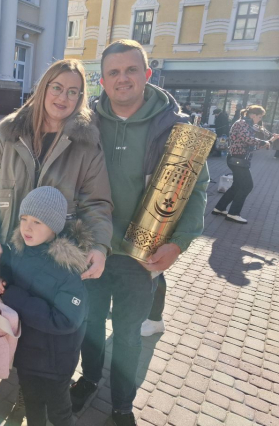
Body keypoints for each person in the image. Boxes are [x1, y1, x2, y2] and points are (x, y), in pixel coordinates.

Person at [71, 40, 209, 426]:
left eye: (131, 70)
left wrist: (179, 244)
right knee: (91, 324)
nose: (122, 79)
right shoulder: (86, 124)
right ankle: (89, 379)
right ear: (102, 80)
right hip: (92, 247)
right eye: (113, 72)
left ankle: (122, 403)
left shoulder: (175, 128)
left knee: (129, 334)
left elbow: (196, 191)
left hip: (140, 255)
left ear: (147, 74)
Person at [0, 58, 113, 422]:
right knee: (8, 325)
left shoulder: (86, 143)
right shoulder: (10, 134)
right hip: (7, 252)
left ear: (81, 98)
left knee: (43, 336)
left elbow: (98, 203)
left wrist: (99, 246)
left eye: (73, 92)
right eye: (57, 87)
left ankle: (36, 398)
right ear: (42, 88)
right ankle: (23, 390)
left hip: (51, 262)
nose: (63, 97)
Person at [0, 186, 91, 426]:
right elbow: (10, 270)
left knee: (59, 412)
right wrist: (3, 278)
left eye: (37, 222)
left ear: (54, 227)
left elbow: (66, 319)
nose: (27, 227)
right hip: (27, 354)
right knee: (32, 403)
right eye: (24, 219)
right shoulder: (20, 250)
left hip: (54, 361)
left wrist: (13, 296)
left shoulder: (68, 267)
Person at [212, 105, 278, 224]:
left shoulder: (246, 123)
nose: (260, 119)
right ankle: (233, 213)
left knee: (237, 185)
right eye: (259, 116)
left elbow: (259, 132)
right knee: (247, 186)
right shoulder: (242, 123)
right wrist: (267, 142)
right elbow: (248, 139)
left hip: (238, 159)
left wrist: (270, 137)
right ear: (253, 115)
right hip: (238, 159)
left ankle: (219, 208)